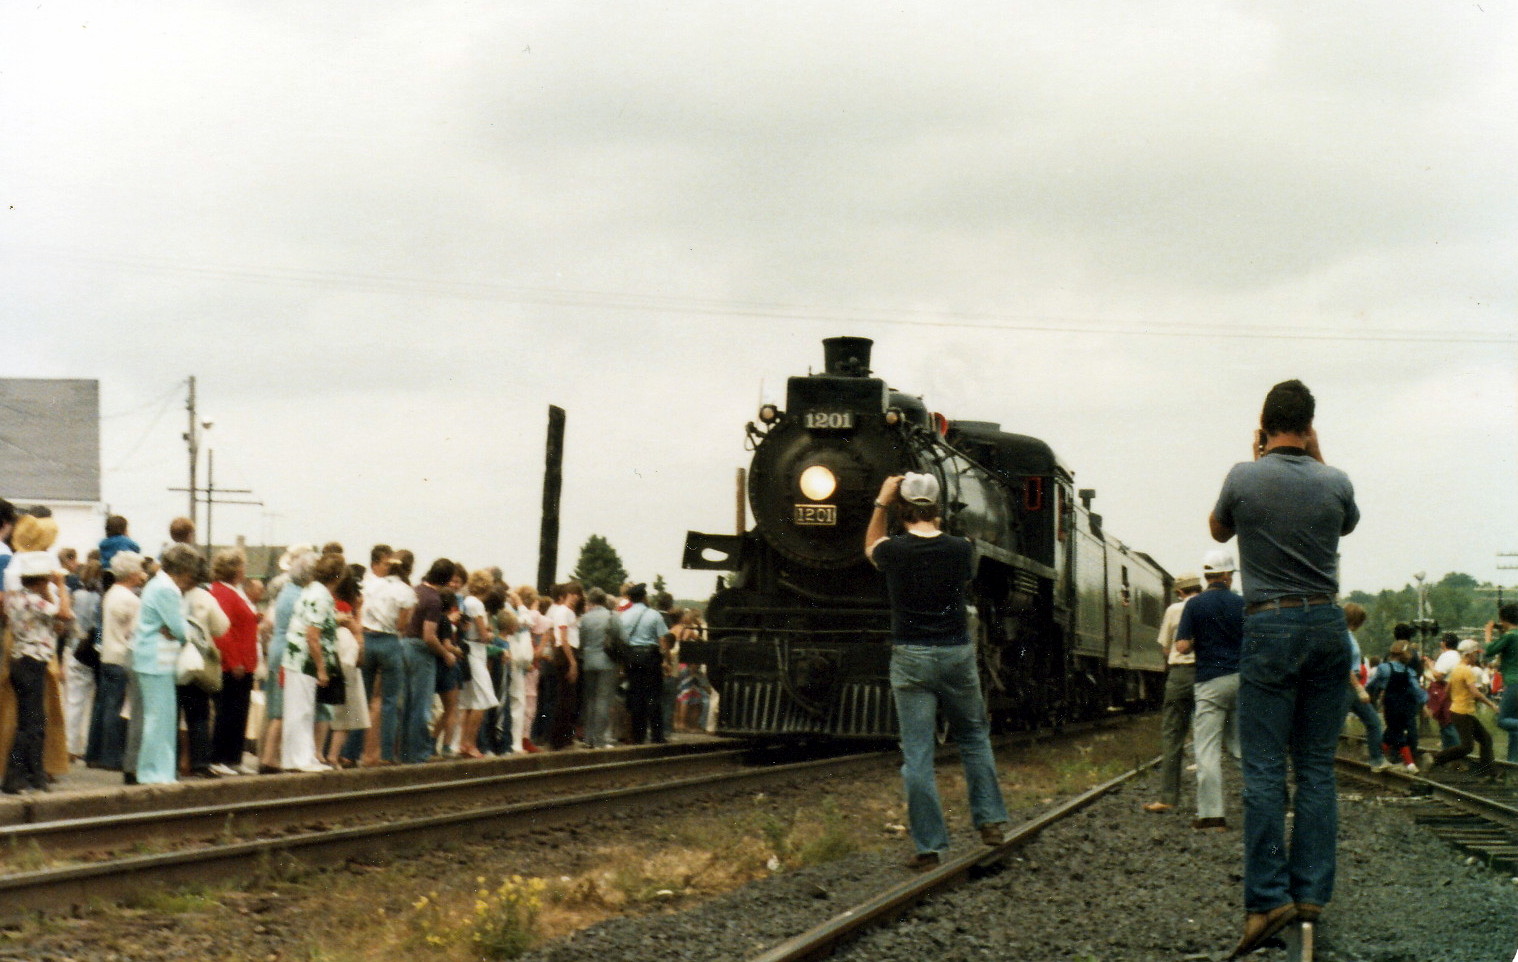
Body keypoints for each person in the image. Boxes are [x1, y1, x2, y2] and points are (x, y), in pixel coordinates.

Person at [1208, 379, 1358, 956]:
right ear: (1310, 426)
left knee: (1267, 769)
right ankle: (1312, 895)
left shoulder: (1243, 476)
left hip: (1269, 624)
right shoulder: (1336, 480)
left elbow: (1218, 530)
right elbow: (1346, 523)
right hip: (1327, 625)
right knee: (1317, 767)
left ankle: (1269, 898)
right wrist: (1317, 457)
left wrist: (1259, 460)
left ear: (1263, 424)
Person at [866, 472, 1009, 870]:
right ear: (937, 506)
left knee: (917, 755)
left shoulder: (892, 551)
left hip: (911, 656)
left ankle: (929, 847)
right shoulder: (962, 550)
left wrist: (881, 501)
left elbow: (870, 546)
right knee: (974, 738)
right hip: (956, 655)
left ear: (902, 506)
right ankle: (991, 821)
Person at [1175, 550, 1243, 831]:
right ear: (1227, 575)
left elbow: (1181, 646)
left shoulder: (1194, 605)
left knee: (1207, 751)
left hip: (1210, 682)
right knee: (1241, 748)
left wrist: (1194, 642)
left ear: (1207, 576)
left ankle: (1212, 816)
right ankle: (1266, 805)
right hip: (1241, 680)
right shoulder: (1242, 603)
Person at [129, 544, 201, 785]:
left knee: (158, 718)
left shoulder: (156, 584)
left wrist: (176, 628)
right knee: (160, 719)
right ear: (183, 569)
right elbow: (179, 627)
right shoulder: (167, 589)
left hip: (152, 658)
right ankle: (154, 773)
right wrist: (185, 632)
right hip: (158, 660)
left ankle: (157, 770)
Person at [3, 554, 73, 794]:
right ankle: (16, 776)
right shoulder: (35, 602)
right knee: (31, 723)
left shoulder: (15, 599)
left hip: (20, 660)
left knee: (31, 720)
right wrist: (61, 587)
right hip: (33, 662)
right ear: (41, 581)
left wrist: (48, 591)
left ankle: (34, 775)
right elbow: (64, 614)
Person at [345, 545, 413, 766]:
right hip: (389, 641)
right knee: (389, 701)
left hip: (366, 639)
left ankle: (351, 752)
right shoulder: (404, 590)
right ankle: (384, 753)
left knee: (361, 699)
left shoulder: (366, 584)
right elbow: (403, 624)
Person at [1144, 572, 1203, 814]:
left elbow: (1166, 647)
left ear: (1180, 592)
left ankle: (1168, 797)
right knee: (1211, 737)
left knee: (1172, 734)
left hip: (1180, 675)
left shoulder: (1174, 610)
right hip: (1207, 673)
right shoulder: (1209, 605)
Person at [281, 552, 345, 773]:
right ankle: (301, 759)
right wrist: (321, 669)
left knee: (298, 709)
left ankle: (294, 757)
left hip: (294, 657)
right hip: (305, 660)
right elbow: (313, 635)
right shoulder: (323, 597)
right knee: (303, 710)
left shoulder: (309, 589)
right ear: (337, 576)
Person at [87, 551, 145, 770]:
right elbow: (135, 631)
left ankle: (94, 753)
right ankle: (111, 757)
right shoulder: (132, 599)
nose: (142, 574)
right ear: (131, 572)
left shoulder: (111, 593)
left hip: (107, 654)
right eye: (139, 569)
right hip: (122, 656)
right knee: (117, 707)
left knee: (103, 705)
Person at [208, 550, 259, 776]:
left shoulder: (230, 592)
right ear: (235, 569)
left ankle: (233, 757)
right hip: (233, 664)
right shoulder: (224, 593)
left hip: (243, 662)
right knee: (228, 711)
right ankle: (221, 757)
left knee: (239, 711)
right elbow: (222, 630)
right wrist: (234, 660)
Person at [179, 554, 230, 777]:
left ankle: (172, 762)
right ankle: (200, 762)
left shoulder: (170, 592)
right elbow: (221, 627)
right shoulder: (204, 597)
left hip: (171, 659)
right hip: (196, 661)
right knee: (198, 714)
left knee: (172, 713)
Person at [399, 558, 454, 764]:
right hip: (421, 653)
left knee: (405, 703)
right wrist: (445, 654)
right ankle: (419, 754)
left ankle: (402, 752)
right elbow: (429, 636)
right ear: (447, 580)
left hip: (404, 646)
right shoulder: (434, 600)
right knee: (421, 706)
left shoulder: (415, 590)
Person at [1428, 643, 1498, 777]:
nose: (1477, 656)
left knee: (1485, 739)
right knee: (1468, 746)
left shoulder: (1456, 669)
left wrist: (1445, 705)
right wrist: (1492, 705)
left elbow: (1447, 690)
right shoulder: (1466, 671)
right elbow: (1475, 692)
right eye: (1475, 654)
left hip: (1459, 711)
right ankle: (1436, 758)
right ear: (1468, 654)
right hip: (1462, 712)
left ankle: (1488, 772)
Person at [620, 583, 672, 744]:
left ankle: (638, 735)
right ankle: (657, 735)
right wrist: (666, 660)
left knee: (635, 695)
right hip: (650, 658)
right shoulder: (654, 615)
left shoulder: (624, 616)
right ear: (644, 597)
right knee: (653, 696)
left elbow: (621, 640)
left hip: (632, 657)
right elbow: (663, 640)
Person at [455, 570, 499, 758]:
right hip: (476, 652)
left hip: (468, 651)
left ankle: (462, 743)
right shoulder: (478, 604)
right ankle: (469, 743)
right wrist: (490, 634)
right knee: (482, 699)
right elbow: (483, 634)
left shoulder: (466, 601)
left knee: (469, 701)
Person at [1365, 640, 1427, 772]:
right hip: (1405, 705)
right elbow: (1416, 689)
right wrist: (1425, 702)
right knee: (1393, 731)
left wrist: (1365, 693)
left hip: (1390, 704)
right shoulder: (1409, 671)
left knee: (1396, 731)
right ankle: (1385, 757)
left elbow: (1372, 684)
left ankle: (1407, 763)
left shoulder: (1384, 668)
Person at [1340, 603, 1388, 771]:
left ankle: (1377, 760)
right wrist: (1360, 689)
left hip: (1352, 685)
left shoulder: (1348, 635)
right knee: (1335, 728)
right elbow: (1344, 665)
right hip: (1347, 686)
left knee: (1373, 721)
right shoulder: (1343, 637)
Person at [577, 587, 625, 749]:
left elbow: (581, 641)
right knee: (603, 700)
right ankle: (599, 740)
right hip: (608, 663)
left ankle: (588, 738)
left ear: (590, 601)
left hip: (588, 662)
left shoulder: (585, 618)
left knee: (590, 700)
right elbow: (623, 638)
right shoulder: (613, 616)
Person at [542, 582, 582, 750]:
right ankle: (559, 738)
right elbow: (563, 638)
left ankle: (561, 736)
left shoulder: (564, 612)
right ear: (566, 595)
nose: (575, 599)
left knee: (566, 696)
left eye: (577, 596)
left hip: (564, 652)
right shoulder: (565, 613)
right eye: (572, 595)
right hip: (567, 652)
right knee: (565, 696)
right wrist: (572, 662)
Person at [1483, 605, 1518, 763]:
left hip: (1513, 682)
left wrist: (1488, 633)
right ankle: (1513, 761)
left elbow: (1489, 650)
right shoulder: (1512, 635)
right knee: (1514, 730)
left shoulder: (1509, 635)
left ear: (1503, 619)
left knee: (1502, 720)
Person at [1427, 631, 1463, 749]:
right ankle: (1447, 752)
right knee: (1445, 722)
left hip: (1445, 690)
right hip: (1454, 690)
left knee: (1447, 722)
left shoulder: (1447, 656)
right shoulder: (1457, 656)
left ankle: (1457, 751)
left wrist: (1430, 665)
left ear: (1445, 643)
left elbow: (1438, 675)